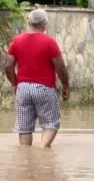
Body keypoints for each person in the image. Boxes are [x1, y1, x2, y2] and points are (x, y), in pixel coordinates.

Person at [5, 8, 70, 148]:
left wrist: (14, 84)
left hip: (23, 88)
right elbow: (60, 67)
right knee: (51, 123)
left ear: (29, 22)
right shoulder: (49, 42)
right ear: (45, 25)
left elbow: (8, 65)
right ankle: (43, 149)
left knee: (24, 126)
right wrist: (66, 86)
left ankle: (26, 156)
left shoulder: (16, 41)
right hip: (45, 88)